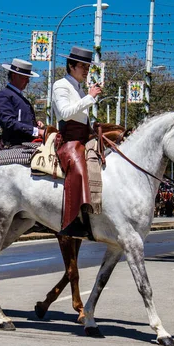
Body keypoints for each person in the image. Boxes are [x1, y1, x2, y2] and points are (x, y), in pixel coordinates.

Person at [52, 46, 103, 238]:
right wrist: (90, 97)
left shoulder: (78, 88)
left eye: (88, 66)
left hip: (84, 136)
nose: (86, 70)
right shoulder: (61, 85)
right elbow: (65, 113)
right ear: (71, 66)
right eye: (83, 66)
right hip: (70, 138)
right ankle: (71, 220)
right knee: (79, 168)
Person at [0, 58, 45, 148]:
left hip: (29, 144)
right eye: (25, 78)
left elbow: (20, 120)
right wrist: (36, 131)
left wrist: (35, 125)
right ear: (14, 76)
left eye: (28, 78)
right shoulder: (4, 95)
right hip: (15, 144)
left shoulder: (20, 98)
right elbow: (9, 123)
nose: (28, 81)